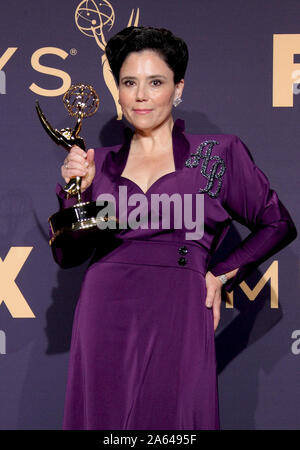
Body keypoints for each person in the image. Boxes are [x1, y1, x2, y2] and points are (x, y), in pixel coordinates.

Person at [50, 26, 297, 430]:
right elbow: (67, 254)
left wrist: (219, 274)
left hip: (179, 309)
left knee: (177, 420)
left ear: (178, 88)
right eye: (129, 82)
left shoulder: (219, 154)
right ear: (118, 91)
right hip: (104, 310)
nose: (141, 95)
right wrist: (75, 191)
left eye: (155, 82)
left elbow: (277, 223)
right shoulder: (98, 163)